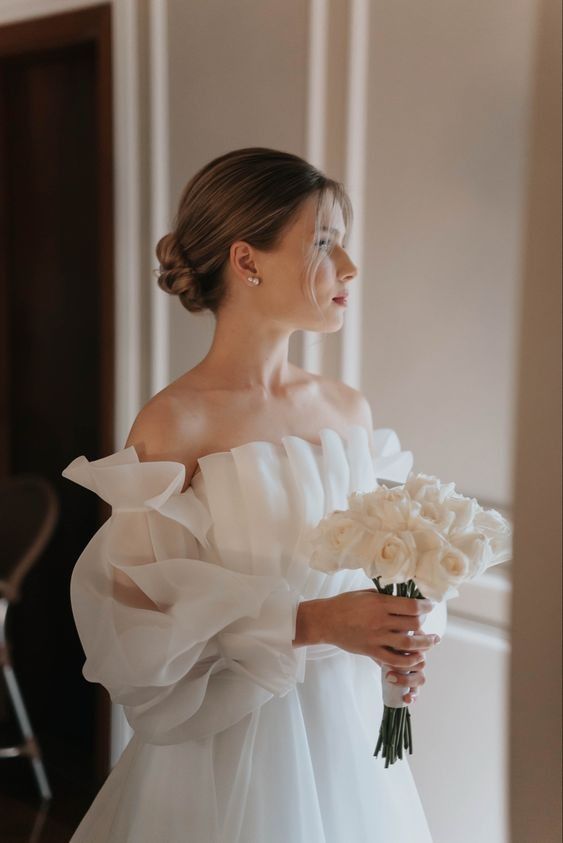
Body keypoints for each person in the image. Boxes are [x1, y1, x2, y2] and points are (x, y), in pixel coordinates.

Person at [62, 147, 446, 842]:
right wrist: (314, 623)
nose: (349, 269)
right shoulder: (173, 423)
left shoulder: (346, 411)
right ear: (247, 261)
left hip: (348, 735)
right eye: (325, 244)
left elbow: (370, 566)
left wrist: (397, 630)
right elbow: (143, 638)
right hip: (230, 747)